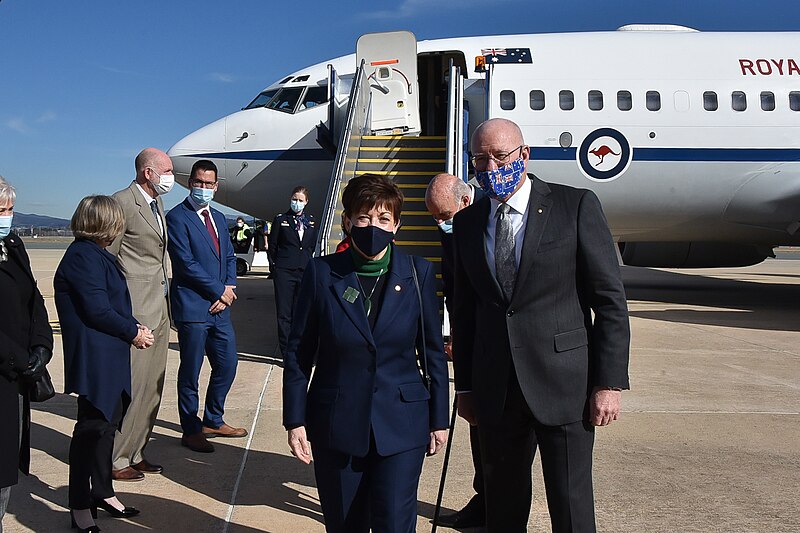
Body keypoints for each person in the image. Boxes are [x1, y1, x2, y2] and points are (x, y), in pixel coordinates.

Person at [451, 118, 630, 533]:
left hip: (565, 387)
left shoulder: (576, 206)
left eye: (500, 156)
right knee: (503, 508)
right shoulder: (467, 223)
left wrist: (609, 382)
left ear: (524, 155)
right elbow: (465, 312)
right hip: (497, 391)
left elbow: (609, 303)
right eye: (480, 159)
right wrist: (466, 387)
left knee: (571, 507)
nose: (491, 168)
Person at [283, 174, 450, 533]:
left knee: (394, 521)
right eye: (363, 217)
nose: (373, 226)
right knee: (346, 523)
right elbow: (299, 352)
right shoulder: (321, 273)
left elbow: (433, 353)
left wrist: (439, 419)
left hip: (402, 422)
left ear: (397, 226)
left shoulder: (418, 273)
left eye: (384, 219)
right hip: (337, 422)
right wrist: (295, 419)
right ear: (347, 221)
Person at [55, 195, 154, 532]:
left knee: (107, 425)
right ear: (105, 223)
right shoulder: (83, 256)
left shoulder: (98, 254)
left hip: (110, 354)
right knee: (90, 429)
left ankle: (102, 491)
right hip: (96, 358)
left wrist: (132, 325)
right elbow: (97, 309)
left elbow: (110, 305)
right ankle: (79, 504)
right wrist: (134, 332)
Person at [166, 159, 246, 454]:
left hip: (220, 307)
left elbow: (227, 256)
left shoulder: (218, 217)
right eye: (198, 182)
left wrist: (230, 287)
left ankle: (213, 418)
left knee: (227, 364)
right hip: (194, 307)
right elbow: (185, 264)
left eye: (208, 184)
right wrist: (219, 291)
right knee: (191, 371)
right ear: (190, 184)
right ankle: (190, 428)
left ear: (216, 186)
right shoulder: (177, 217)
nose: (203, 188)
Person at [424, 172, 485, 529]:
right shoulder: (453, 228)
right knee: (475, 422)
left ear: (464, 201)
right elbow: (454, 288)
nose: (440, 223)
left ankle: (496, 500)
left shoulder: (485, 223)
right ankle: (484, 494)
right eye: (434, 217)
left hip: (496, 344)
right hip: (469, 341)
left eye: (444, 216)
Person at [108, 147, 173, 482]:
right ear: (148, 172)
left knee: (153, 387)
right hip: (137, 310)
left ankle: (137, 450)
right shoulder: (121, 202)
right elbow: (110, 257)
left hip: (160, 307)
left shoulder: (157, 203)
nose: (171, 177)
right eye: (167, 171)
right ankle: (117, 457)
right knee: (133, 387)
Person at [0, 176, 54, 533]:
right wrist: (20, 359)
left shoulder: (13, 244)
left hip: (17, 374)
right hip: (8, 367)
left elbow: (34, 300)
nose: (6, 216)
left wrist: (42, 346)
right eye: (0, 210)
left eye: (9, 209)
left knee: (5, 472)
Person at [268, 186, 317, 355]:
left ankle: (299, 348)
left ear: (306, 202)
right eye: (294, 199)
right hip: (284, 271)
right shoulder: (281, 220)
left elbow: (311, 246)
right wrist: (276, 266)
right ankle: (286, 351)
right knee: (284, 313)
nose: (297, 203)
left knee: (301, 311)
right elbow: (273, 246)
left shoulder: (311, 221)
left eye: (300, 200)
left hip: (304, 270)